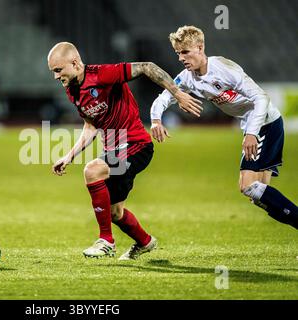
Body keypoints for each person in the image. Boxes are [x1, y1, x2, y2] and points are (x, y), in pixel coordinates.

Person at [47, 42, 203, 259]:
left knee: (92, 171)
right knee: (114, 213)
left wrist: (177, 94)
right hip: (115, 149)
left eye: (58, 70)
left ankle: (106, 241)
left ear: (74, 63)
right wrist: (69, 155)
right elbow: (91, 125)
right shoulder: (72, 91)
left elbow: (147, 66)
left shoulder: (103, 75)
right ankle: (145, 242)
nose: (56, 77)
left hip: (136, 145)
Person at [150, 25, 297, 230]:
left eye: (185, 52)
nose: (181, 58)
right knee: (257, 194)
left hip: (266, 122)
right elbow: (164, 98)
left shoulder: (223, 68)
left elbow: (261, 97)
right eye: (178, 53)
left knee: (248, 186)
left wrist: (252, 134)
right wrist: (156, 120)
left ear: (200, 48)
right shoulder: (186, 77)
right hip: (256, 126)